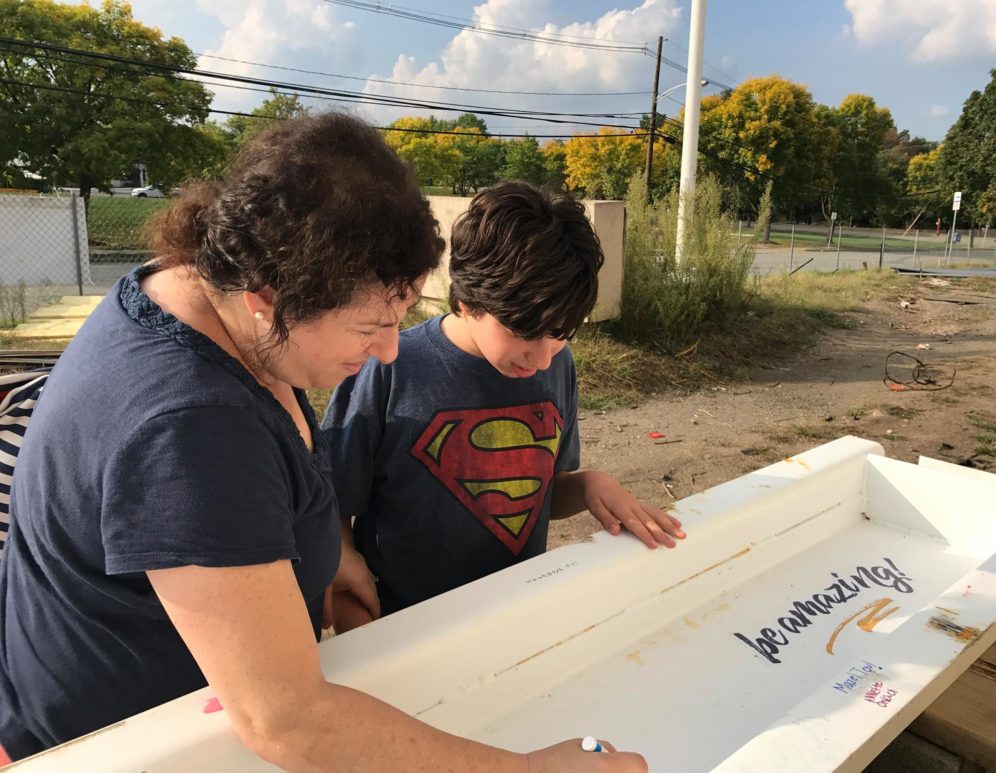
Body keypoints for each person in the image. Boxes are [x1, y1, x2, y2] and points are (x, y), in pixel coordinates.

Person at [0, 114, 646, 772]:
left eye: (400, 318)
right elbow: (288, 719)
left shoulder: (197, 289)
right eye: (369, 327)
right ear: (269, 296)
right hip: (125, 748)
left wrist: (325, 553)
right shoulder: (191, 425)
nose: (389, 349)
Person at [322, 181, 685, 623]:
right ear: (466, 301)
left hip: (517, 616)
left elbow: (536, 493)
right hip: (406, 625)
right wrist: (358, 618)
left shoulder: (557, 364)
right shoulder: (391, 366)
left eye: (561, 333)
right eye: (524, 333)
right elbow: (333, 505)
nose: (542, 357)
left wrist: (589, 485)